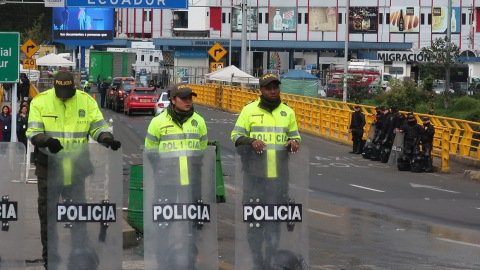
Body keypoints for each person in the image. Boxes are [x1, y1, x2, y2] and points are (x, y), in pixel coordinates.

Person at [26, 71, 121, 270]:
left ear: (74, 87)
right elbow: (33, 132)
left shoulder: (86, 101)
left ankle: (79, 258)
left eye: (67, 92)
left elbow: (97, 126)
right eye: (59, 91)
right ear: (54, 86)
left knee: (79, 217)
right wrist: (47, 141)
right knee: (48, 218)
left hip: (77, 170)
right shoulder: (40, 102)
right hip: (49, 169)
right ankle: (51, 261)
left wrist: (106, 139)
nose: (63, 96)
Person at [230, 73, 301, 270]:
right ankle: (256, 262)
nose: (272, 91)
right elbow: (236, 136)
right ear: (260, 90)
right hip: (254, 177)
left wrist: (294, 142)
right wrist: (251, 141)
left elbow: (295, 137)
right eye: (268, 88)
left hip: (278, 179)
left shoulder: (288, 112)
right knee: (254, 223)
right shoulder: (249, 110)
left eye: (275, 87)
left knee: (274, 223)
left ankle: (270, 262)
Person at [144, 83, 208, 269]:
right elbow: (150, 151)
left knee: (193, 226)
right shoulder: (158, 122)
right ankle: (162, 261)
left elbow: (203, 151)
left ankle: (189, 262)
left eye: (190, 98)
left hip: (192, 183)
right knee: (163, 225)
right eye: (183, 98)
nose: (188, 101)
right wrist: (163, 171)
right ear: (173, 100)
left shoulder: (199, 121)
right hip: (167, 183)